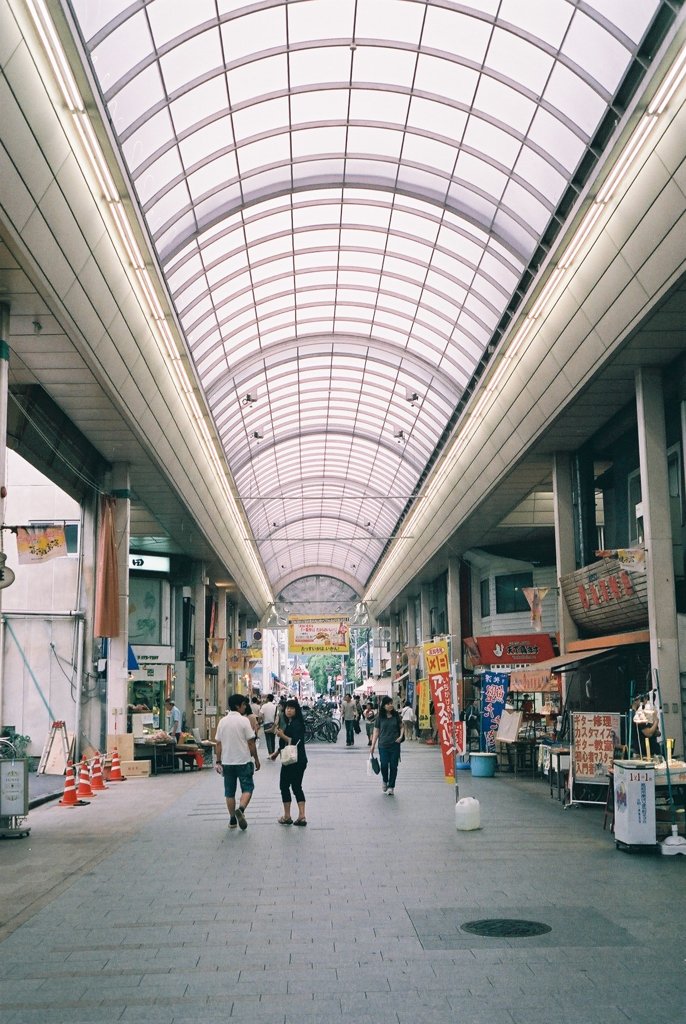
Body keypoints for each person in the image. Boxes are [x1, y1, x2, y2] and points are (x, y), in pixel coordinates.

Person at [214, 693, 261, 830]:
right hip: (243, 761)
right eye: (244, 704)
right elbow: (251, 742)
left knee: (229, 792)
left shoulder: (222, 721)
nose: (245, 707)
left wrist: (218, 761)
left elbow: (218, 743)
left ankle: (232, 820)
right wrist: (256, 759)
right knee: (248, 788)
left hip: (227, 761)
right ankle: (241, 809)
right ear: (237, 706)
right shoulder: (243, 721)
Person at [273, 698, 308, 825]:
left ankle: (288, 816)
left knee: (284, 786)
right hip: (297, 759)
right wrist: (277, 753)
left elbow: (293, 741)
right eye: (287, 708)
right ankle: (301, 816)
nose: (288, 710)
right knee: (296, 786)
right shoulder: (291, 723)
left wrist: (281, 735)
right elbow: (286, 743)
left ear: (296, 710)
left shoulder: (296, 724)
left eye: (292, 708)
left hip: (293, 760)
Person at [370, 695, 404, 795]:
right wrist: (372, 746)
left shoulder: (396, 715)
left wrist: (401, 736)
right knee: (384, 765)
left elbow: (402, 726)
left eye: (391, 703)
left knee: (394, 766)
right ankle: (385, 780)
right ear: (384, 705)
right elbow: (376, 731)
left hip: (395, 745)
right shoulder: (380, 717)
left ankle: (391, 786)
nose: (390, 705)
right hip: (383, 745)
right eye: (388, 704)